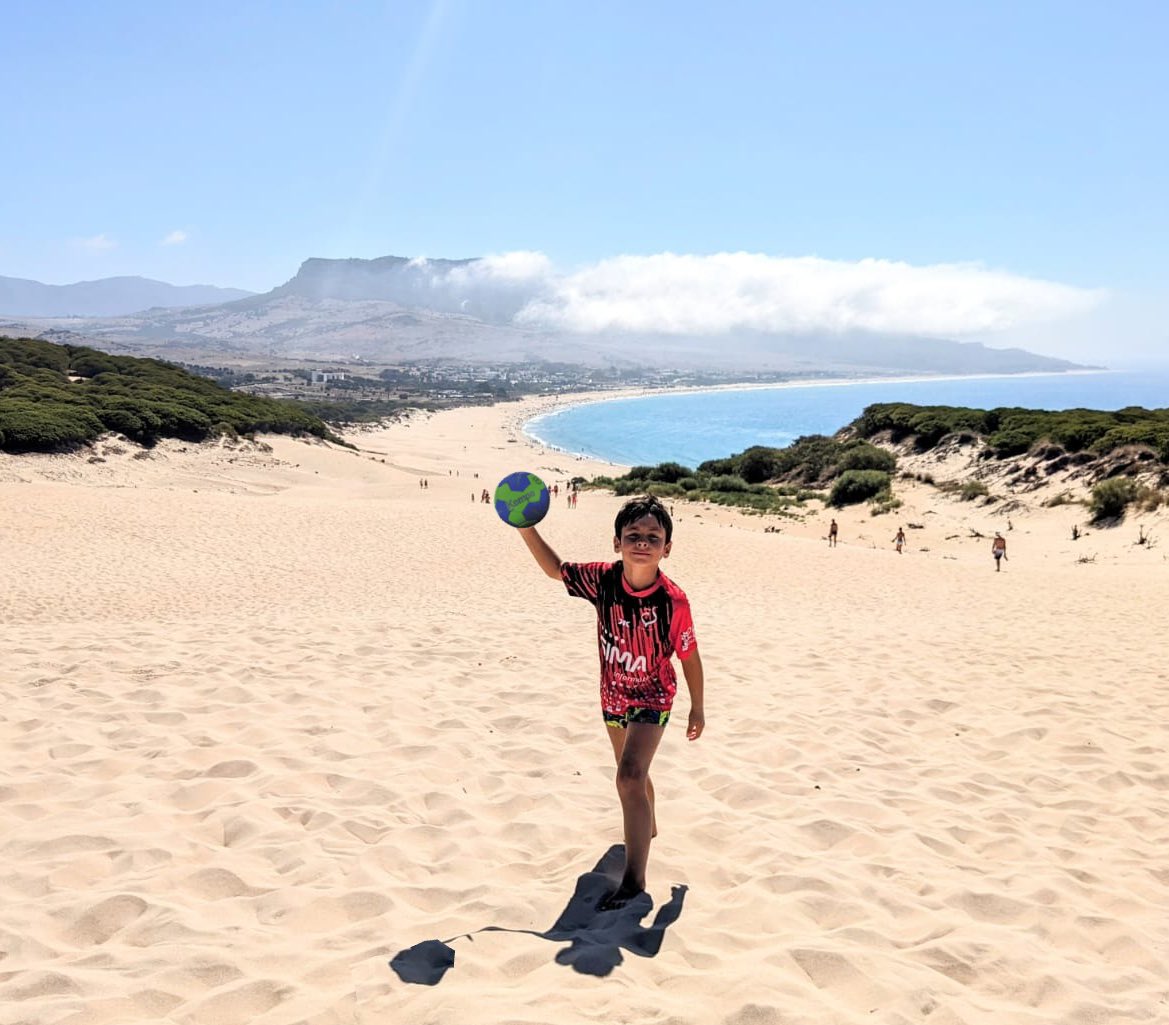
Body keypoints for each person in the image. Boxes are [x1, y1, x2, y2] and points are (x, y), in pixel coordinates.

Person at [516, 495, 705, 910]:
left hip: (654, 695)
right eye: (633, 535)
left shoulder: (673, 601)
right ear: (617, 542)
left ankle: (634, 883)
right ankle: (648, 827)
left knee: (629, 777)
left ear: (667, 547)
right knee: (632, 773)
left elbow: (689, 655)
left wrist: (698, 706)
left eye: (653, 537)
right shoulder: (602, 580)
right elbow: (556, 570)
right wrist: (525, 527)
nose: (642, 542)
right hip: (613, 692)